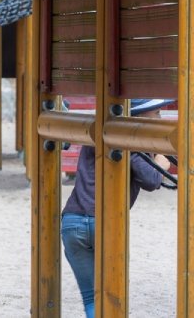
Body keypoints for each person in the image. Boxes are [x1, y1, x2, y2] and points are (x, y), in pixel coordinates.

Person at [60, 97, 174, 318]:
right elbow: (151, 180)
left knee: (91, 298)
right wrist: (161, 163)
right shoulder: (127, 140)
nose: (160, 118)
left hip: (72, 222)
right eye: (156, 113)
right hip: (105, 223)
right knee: (112, 297)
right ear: (139, 117)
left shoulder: (102, 129)